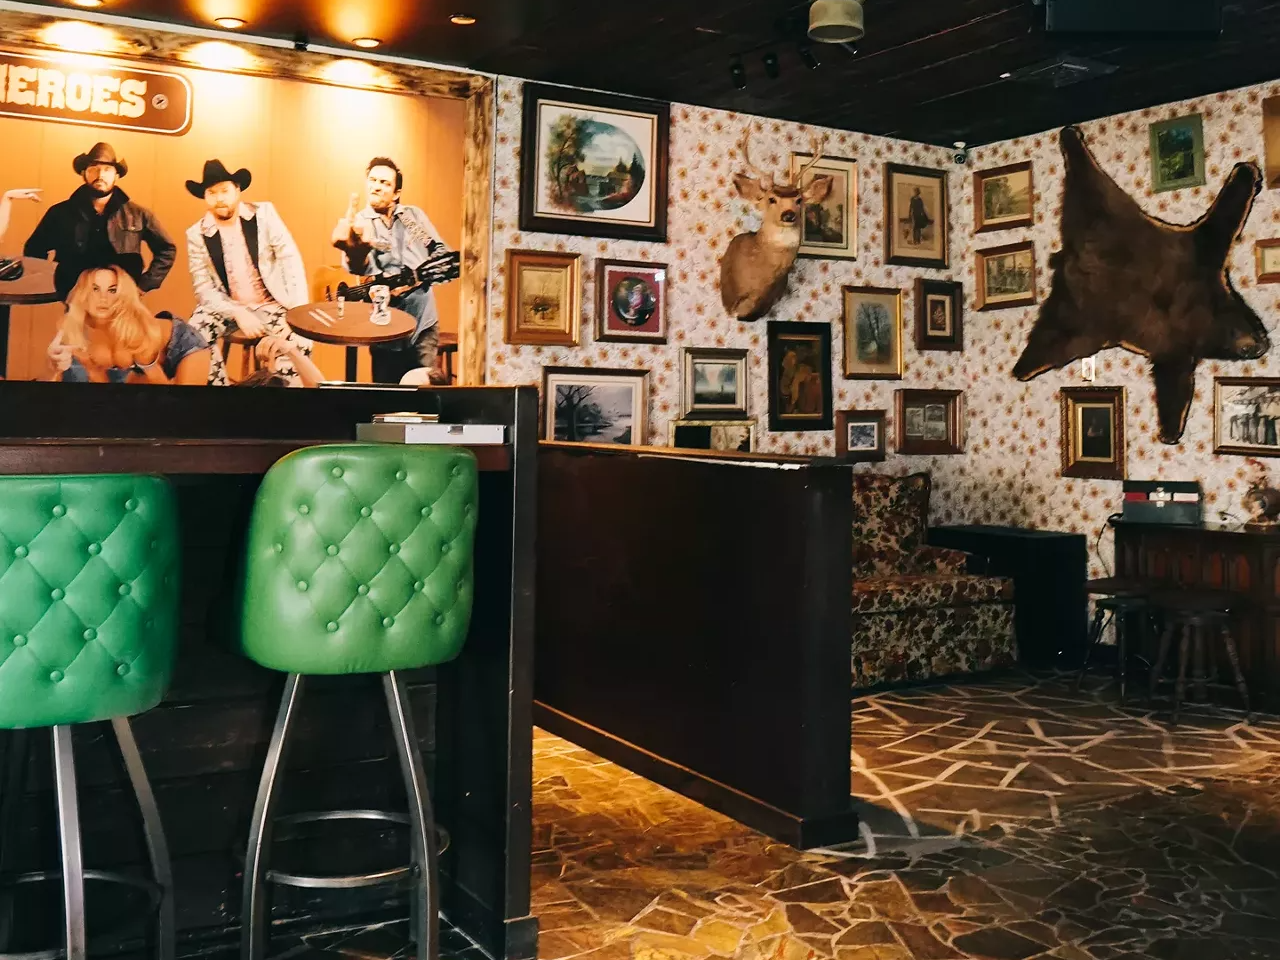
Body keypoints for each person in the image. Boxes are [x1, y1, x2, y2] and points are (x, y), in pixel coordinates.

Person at [184, 159, 312, 385]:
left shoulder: (263, 215)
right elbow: (203, 289)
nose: (219, 198)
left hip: (271, 304)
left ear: (237, 190)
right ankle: (220, 397)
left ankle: (283, 400)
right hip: (227, 307)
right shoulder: (197, 233)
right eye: (212, 193)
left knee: (298, 340)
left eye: (224, 191)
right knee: (193, 334)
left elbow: (290, 260)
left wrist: (296, 312)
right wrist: (237, 312)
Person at [331, 157, 451, 384]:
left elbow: (438, 250)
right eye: (373, 180)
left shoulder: (411, 217)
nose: (376, 186)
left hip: (422, 322)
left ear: (396, 193)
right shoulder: (361, 223)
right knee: (387, 393)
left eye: (384, 182)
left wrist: (425, 272)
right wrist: (355, 253)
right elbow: (360, 267)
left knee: (424, 391)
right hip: (385, 329)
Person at [24, 143, 175, 300]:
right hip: (76, 296)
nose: (100, 175)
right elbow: (34, 249)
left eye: (107, 169)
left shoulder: (138, 214)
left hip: (123, 297)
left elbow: (166, 249)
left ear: (116, 175)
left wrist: (144, 285)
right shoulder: (61, 212)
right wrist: (55, 283)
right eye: (94, 169)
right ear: (84, 173)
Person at [45, 264, 211, 385]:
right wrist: (56, 368)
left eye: (112, 290)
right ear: (83, 294)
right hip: (141, 366)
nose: (103, 298)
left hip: (182, 346)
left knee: (183, 409)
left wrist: (148, 364)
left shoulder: (132, 326)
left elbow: (161, 388)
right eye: (95, 289)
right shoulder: (74, 329)